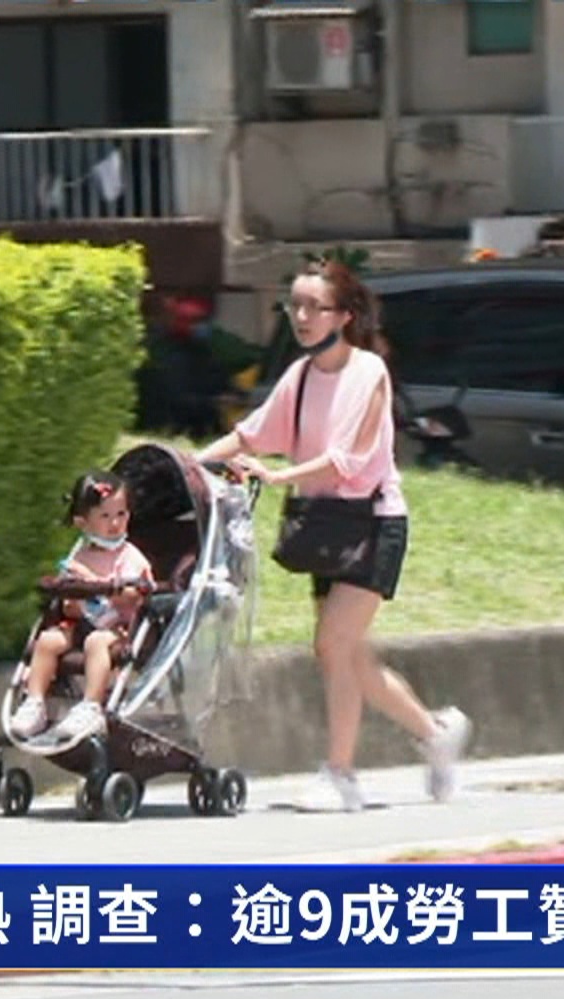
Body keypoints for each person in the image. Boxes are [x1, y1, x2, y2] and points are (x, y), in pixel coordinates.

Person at [195, 259, 471, 812]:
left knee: (332, 645)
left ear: (343, 315)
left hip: (374, 523)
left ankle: (341, 776)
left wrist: (278, 477)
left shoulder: (369, 373)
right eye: (293, 306)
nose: (301, 317)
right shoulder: (299, 377)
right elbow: (249, 435)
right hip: (324, 525)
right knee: (349, 657)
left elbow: (348, 459)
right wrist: (189, 466)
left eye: (314, 307)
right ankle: (435, 733)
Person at [9, 472, 155, 746]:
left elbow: (134, 595)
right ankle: (35, 702)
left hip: (117, 628)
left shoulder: (129, 556)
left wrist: (95, 584)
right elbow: (70, 606)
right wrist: (72, 599)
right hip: (83, 623)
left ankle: (91, 706)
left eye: (121, 514)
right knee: (48, 640)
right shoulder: (79, 556)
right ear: (82, 522)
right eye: (105, 516)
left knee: (96, 642)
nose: (115, 523)